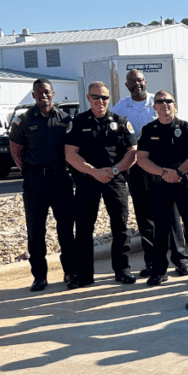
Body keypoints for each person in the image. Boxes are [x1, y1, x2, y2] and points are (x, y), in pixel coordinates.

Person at [114, 69, 188, 278]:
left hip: (162, 168)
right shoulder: (120, 107)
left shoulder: (158, 101)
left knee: (171, 214)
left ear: (145, 81)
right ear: (127, 84)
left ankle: (181, 260)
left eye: (140, 80)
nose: (136, 84)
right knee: (145, 215)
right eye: (132, 81)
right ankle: (152, 261)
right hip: (137, 168)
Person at [64, 82, 139, 288]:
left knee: (120, 227)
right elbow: (70, 154)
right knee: (84, 228)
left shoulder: (120, 122)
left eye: (104, 97)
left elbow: (132, 151)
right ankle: (84, 274)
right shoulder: (78, 122)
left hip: (115, 180)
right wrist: (94, 172)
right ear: (88, 98)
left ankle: (122, 270)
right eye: (96, 97)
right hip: (88, 180)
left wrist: (114, 170)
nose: (101, 101)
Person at [9, 79, 76, 291]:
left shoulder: (65, 119)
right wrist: (28, 171)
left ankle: (70, 272)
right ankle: (39, 276)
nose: (43, 96)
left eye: (46, 92)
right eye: (39, 93)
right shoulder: (24, 120)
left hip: (60, 179)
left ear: (53, 94)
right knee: (36, 230)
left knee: (66, 228)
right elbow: (15, 149)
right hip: (35, 181)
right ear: (33, 95)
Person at [135, 91, 188, 286]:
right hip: (160, 185)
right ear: (154, 106)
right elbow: (141, 158)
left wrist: (178, 173)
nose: (165, 104)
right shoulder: (148, 130)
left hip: (184, 183)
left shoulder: (186, 128)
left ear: (175, 105)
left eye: (169, 101)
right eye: (160, 101)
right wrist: (162, 173)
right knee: (161, 231)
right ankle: (159, 272)